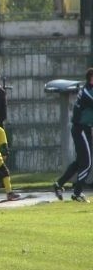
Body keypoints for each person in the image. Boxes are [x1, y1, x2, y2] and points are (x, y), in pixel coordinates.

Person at [53, 68, 93, 203]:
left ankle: (59, 184)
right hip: (81, 129)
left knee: (80, 162)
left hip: (84, 129)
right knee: (87, 164)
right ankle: (77, 192)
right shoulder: (87, 91)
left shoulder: (87, 90)